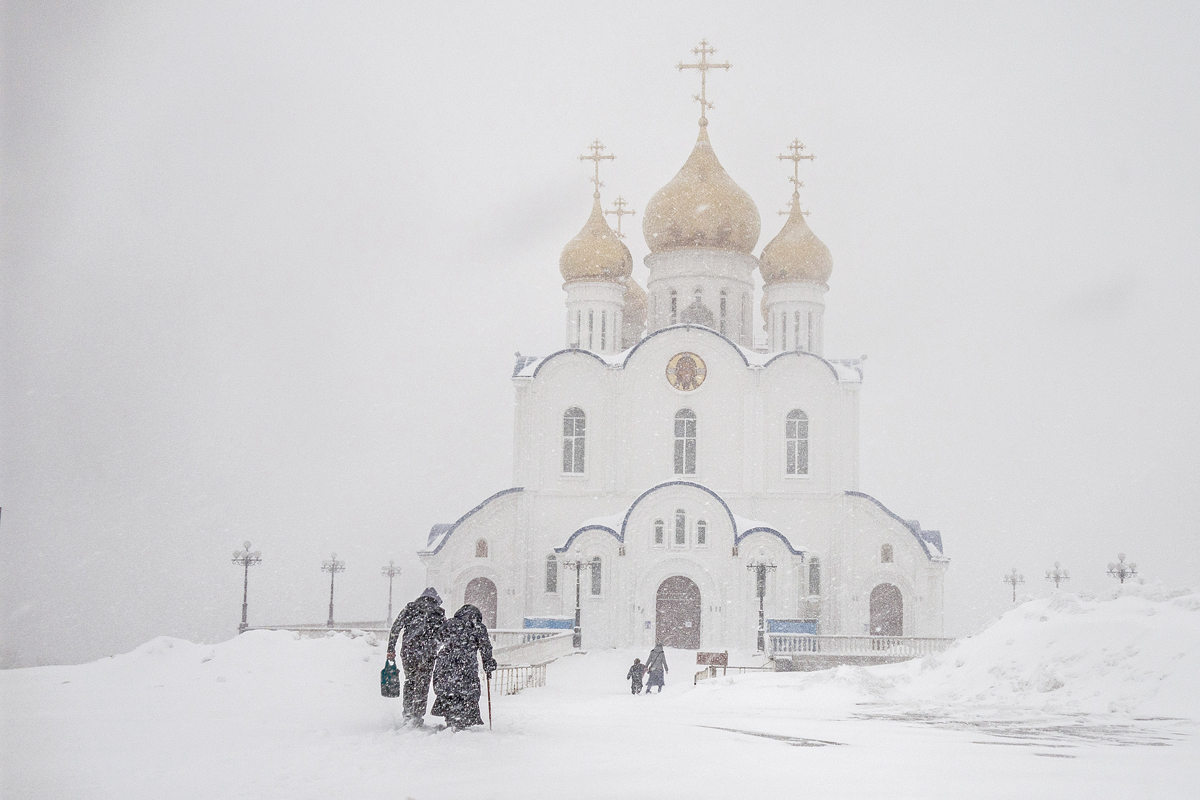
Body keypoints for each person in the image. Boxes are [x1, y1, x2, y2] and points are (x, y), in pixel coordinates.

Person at [431, 604, 498, 729]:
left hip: (446, 663)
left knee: (449, 690)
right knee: (467, 691)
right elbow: (485, 648)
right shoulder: (478, 627)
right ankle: (463, 718)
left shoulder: (449, 624)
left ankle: (450, 716)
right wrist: (488, 663)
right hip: (467, 664)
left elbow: (437, 639)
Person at [387, 587, 446, 726]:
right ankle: (417, 716)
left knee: (410, 681)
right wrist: (434, 645)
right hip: (427, 654)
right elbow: (444, 634)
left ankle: (407, 713)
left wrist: (391, 649)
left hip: (409, 652)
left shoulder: (410, 608)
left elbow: (395, 628)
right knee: (422, 684)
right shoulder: (438, 613)